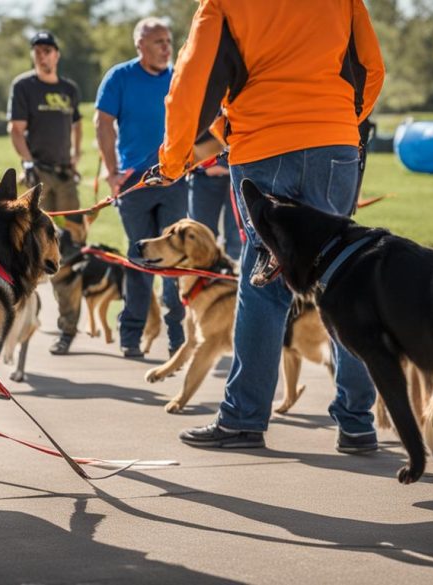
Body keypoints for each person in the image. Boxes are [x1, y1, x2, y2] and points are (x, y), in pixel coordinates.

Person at [150, 0, 385, 450]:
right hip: (334, 143)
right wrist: (340, 121)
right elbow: (372, 68)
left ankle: (243, 419)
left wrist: (174, 158)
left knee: (264, 280)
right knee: (340, 279)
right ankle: (357, 423)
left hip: (264, 144)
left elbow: (190, 79)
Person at [95, 17, 187, 359]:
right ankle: (131, 335)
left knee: (174, 257)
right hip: (134, 181)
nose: (166, 48)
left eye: (168, 40)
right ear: (140, 46)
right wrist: (111, 170)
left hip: (175, 178)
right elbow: (103, 123)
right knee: (139, 256)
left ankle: (178, 337)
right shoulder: (120, 77)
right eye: (158, 42)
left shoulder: (179, 77)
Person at [7, 31, 84, 355]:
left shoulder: (69, 89)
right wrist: (26, 162)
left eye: (48, 50)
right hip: (38, 178)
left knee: (72, 249)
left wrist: (76, 154)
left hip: (66, 178)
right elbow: (16, 129)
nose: (43, 55)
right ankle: (18, 327)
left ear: (57, 54)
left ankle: (67, 329)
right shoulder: (24, 86)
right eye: (37, 50)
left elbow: (78, 123)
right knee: (31, 251)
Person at [188, 154, 241, 260]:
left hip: (238, 169)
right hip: (202, 173)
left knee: (237, 238)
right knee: (201, 237)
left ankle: (231, 272)